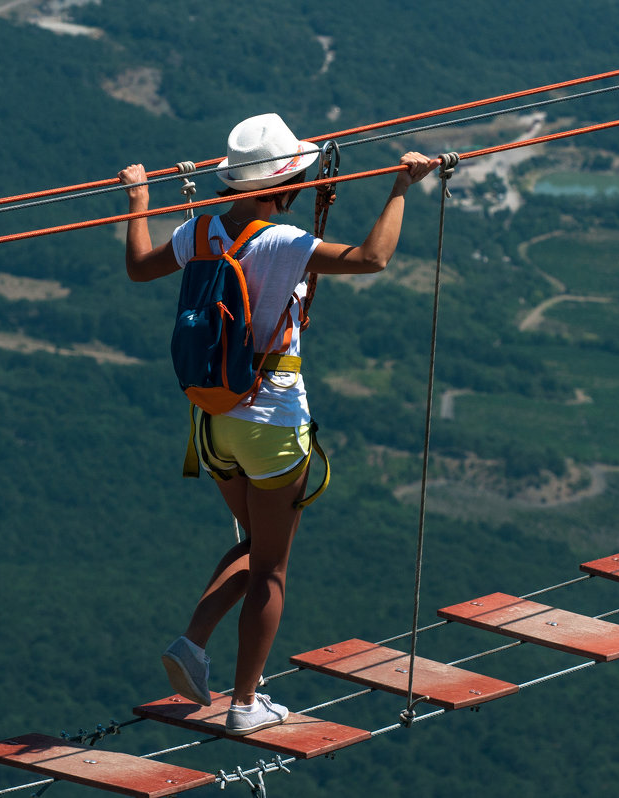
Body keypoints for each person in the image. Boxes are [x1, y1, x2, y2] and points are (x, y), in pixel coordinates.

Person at [119, 113, 435, 735]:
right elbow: (373, 258)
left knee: (254, 545)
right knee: (271, 568)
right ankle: (243, 703)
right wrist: (403, 186)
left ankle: (192, 644)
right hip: (270, 420)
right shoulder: (283, 242)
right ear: (280, 183)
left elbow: (137, 267)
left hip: (211, 419)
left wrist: (138, 197)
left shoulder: (199, 232)